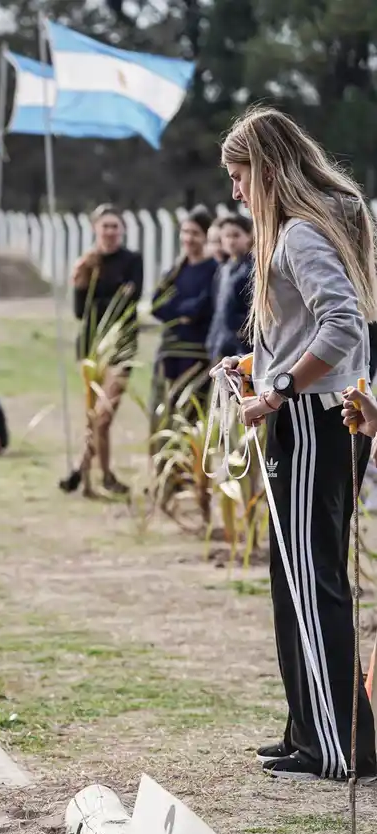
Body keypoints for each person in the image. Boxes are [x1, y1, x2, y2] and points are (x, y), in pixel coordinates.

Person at [212, 105, 377, 783]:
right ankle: (307, 732)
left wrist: (276, 389)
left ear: (269, 169)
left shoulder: (300, 235)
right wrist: (257, 365)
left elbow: (344, 327)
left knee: (312, 581)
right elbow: (311, 333)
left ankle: (338, 746)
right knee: (295, 579)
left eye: (240, 175)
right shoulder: (300, 231)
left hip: (311, 422)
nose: (235, 191)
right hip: (307, 416)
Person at [61, 204, 143, 496]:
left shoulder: (132, 261)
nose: (109, 231)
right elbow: (80, 311)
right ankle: (101, 476)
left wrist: (103, 298)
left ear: (122, 230)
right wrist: (88, 282)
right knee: (92, 416)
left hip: (120, 346)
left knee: (103, 414)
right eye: (105, 226)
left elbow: (129, 300)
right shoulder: (87, 262)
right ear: (95, 228)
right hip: (91, 346)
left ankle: (81, 468)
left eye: (114, 226)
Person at [149, 205, 219, 427]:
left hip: (196, 354)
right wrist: (182, 313)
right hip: (169, 352)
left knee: (189, 416)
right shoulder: (175, 270)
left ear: (206, 236)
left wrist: (176, 310)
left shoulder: (214, 270)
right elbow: (156, 305)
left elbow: (200, 309)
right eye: (185, 232)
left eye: (195, 233)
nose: (189, 238)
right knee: (164, 414)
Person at [205, 213, 255, 364]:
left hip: (242, 346)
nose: (231, 241)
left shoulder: (252, 269)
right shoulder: (223, 269)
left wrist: (241, 331)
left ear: (248, 236)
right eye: (227, 236)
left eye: (236, 235)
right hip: (220, 342)